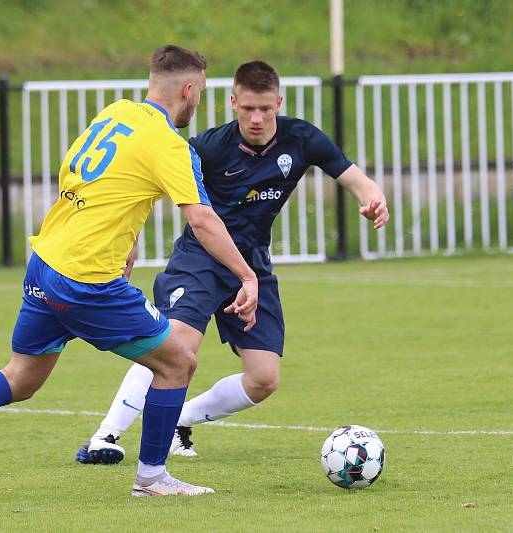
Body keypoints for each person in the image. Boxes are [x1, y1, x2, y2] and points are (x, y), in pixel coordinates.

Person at [0, 44, 259, 501]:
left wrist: (127, 238)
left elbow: (89, 180)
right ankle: (152, 478)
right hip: (86, 279)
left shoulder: (116, 114)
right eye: (201, 93)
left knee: (21, 378)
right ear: (189, 88)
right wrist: (246, 276)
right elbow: (201, 220)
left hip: (47, 262)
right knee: (179, 361)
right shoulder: (170, 145)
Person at [76, 60, 388, 465]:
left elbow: (354, 177)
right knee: (176, 346)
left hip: (253, 265)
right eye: (247, 109)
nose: (256, 118)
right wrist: (131, 240)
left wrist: (372, 197)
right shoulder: (207, 147)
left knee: (263, 379)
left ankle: (178, 421)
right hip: (199, 259)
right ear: (232, 103)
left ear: (278, 102)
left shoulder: (302, 139)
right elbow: (147, 191)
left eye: (265, 108)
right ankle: (106, 436)